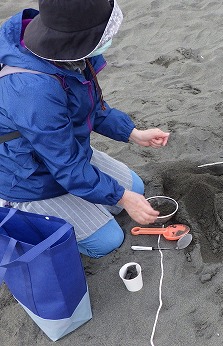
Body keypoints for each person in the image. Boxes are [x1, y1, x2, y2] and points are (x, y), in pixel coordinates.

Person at [0, 0, 170, 258]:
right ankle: (19, 208)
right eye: (103, 35)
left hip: (62, 152)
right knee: (109, 240)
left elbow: (89, 105)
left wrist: (133, 133)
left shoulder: (72, 52)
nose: (107, 39)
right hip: (28, 176)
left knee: (135, 187)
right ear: (79, 36)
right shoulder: (32, 90)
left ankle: (85, 199)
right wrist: (121, 198)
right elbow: (66, 166)